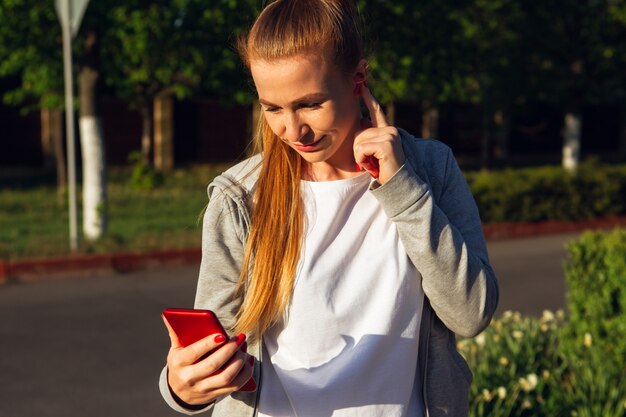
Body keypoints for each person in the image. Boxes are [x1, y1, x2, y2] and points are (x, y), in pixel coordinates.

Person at [159, 0, 499, 415]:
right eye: (273, 108)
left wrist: (401, 189)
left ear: (358, 78)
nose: (292, 129)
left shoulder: (428, 169)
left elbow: (471, 314)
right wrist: (182, 387)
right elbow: (214, 349)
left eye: (310, 104)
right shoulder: (240, 198)